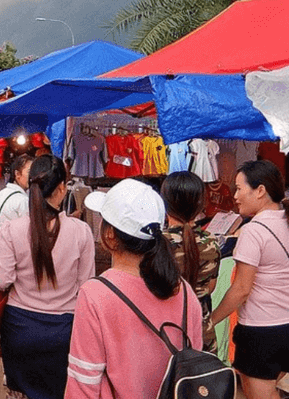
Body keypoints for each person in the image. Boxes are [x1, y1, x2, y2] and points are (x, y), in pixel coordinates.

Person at [65, 178, 203, 399]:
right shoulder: (184, 291)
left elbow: (84, 382)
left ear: (109, 234)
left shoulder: (95, 295)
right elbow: (194, 362)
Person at [0, 155, 95, 399]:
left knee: (20, 393)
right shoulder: (81, 232)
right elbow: (86, 287)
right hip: (62, 333)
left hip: (19, 329)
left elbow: (2, 280)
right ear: (61, 188)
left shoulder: (13, 229)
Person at [211, 160, 289, 399]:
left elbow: (242, 289)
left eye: (239, 188)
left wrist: (210, 320)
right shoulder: (286, 221)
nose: (235, 196)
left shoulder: (254, 230)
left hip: (260, 333)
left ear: (260, 190)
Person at [161, 171, 221, 352]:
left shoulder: (156, 244)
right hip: (202, 334)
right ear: (200, 205)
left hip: (164, 334)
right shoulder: (210, 242)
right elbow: (211, 287)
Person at [0, 154, 33, 268]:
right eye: (29, 172)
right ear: (17, 174)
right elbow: (26, 236)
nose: (32, 177)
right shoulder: (22, 201)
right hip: (8, 257)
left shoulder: (1, 193)